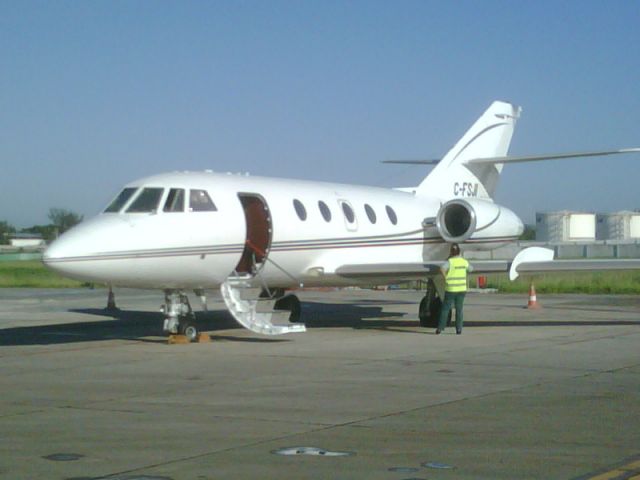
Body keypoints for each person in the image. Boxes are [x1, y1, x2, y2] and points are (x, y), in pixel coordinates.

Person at [436, 243, 473, 335]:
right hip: (461, 289)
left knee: (445, 309)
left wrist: (446, 277)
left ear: (451, 252)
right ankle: (459, 329)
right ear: (459, 252)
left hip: (451, 288)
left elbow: (442, 268)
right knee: (459, 309)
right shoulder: (464, 262)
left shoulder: (450, 262)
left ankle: (440, 328)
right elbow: (471, 269)